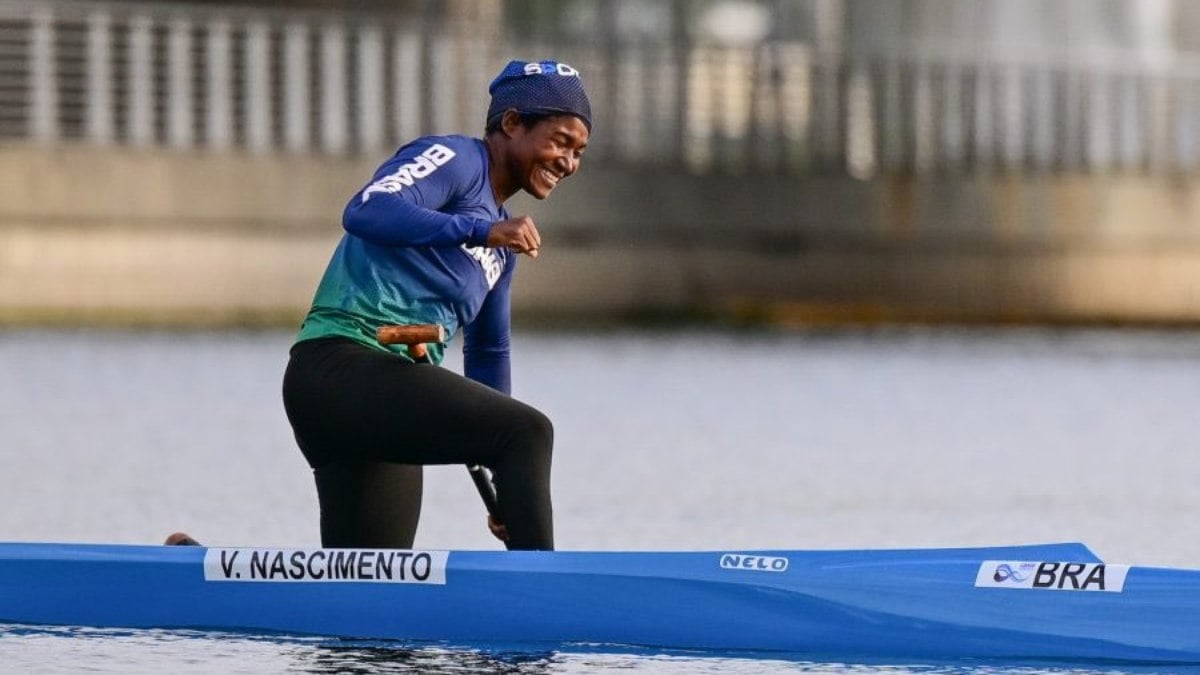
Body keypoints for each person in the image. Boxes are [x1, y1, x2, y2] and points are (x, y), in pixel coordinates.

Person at [280, 60, 591, 551]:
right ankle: (541, 593)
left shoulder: (502, 248)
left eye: (578, 151)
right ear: (512, 124)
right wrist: (478, 230)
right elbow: (365, 209)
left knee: (370, 590)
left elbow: (489, 355)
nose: (568, 162)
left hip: (385, 401)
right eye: (559, 141)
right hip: (337, 369)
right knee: (529, 432)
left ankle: (195, 575)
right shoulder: (455, 160)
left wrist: (510, 489)